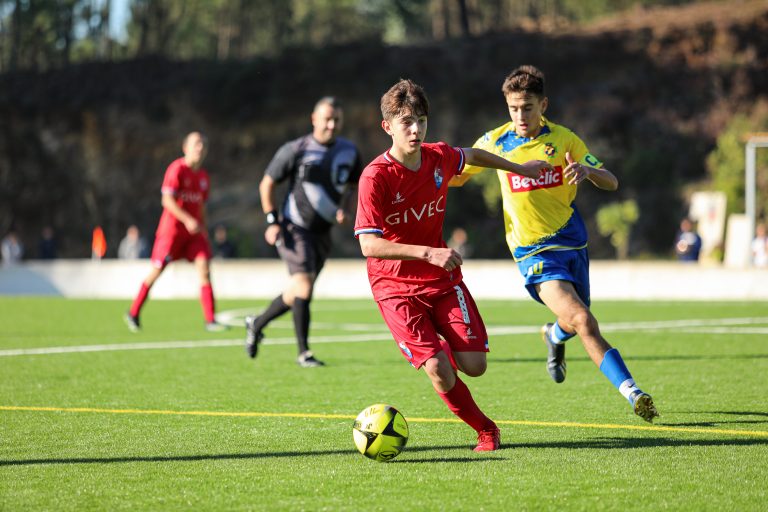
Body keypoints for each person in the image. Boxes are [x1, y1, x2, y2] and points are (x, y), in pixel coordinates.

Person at [354, 79, 553, 451]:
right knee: (438, 370)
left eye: (421, 121)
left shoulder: (438, 157)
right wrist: (428, 253)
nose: (415, 130)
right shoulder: (375, 177)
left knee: (475, 365)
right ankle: (486, 429)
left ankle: (441, 351)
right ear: (387, 127)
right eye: (406, 122)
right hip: (395, 288)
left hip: (441, 280)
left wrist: (518, 169)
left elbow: (474, 155)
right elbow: (368, 244)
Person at [451, 65, 658, 423]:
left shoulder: (564, 140)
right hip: (531, 252)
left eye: (527, 107)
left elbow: (611, 181)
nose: (520, 116)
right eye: (514, 108)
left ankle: (554, 336)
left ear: (543, 105)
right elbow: (455, 177)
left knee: (574, 319)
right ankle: (634, 393)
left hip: (572, 244)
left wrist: (588, 172)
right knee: (583, 319)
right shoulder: (495, 141)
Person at [245, 97, 362, 367]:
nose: (331, 125)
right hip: (294, 228)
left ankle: (257, 323)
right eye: (327, 119)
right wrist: (272, 221)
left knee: (298, 291)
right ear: (314, 119)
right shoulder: (295, 149)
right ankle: (304, 353)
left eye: (336, 120)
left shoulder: (349, 151)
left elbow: (356, 185)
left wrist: (346, 208)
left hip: (323, 232)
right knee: (304, 286)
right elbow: (266, 184)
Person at [124, 132, 227, 332]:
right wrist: (187, 219)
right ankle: (133, 312)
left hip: (194, 234)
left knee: (204, 267)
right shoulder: (176, 169)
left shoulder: (203, 177)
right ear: (185, 148)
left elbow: (201, 206)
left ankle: (210, 320)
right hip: (172, 232)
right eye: (196, 144)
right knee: (157, 270)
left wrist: (203, 229)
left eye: (203, 145)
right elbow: (167, 200)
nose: (200, 148)